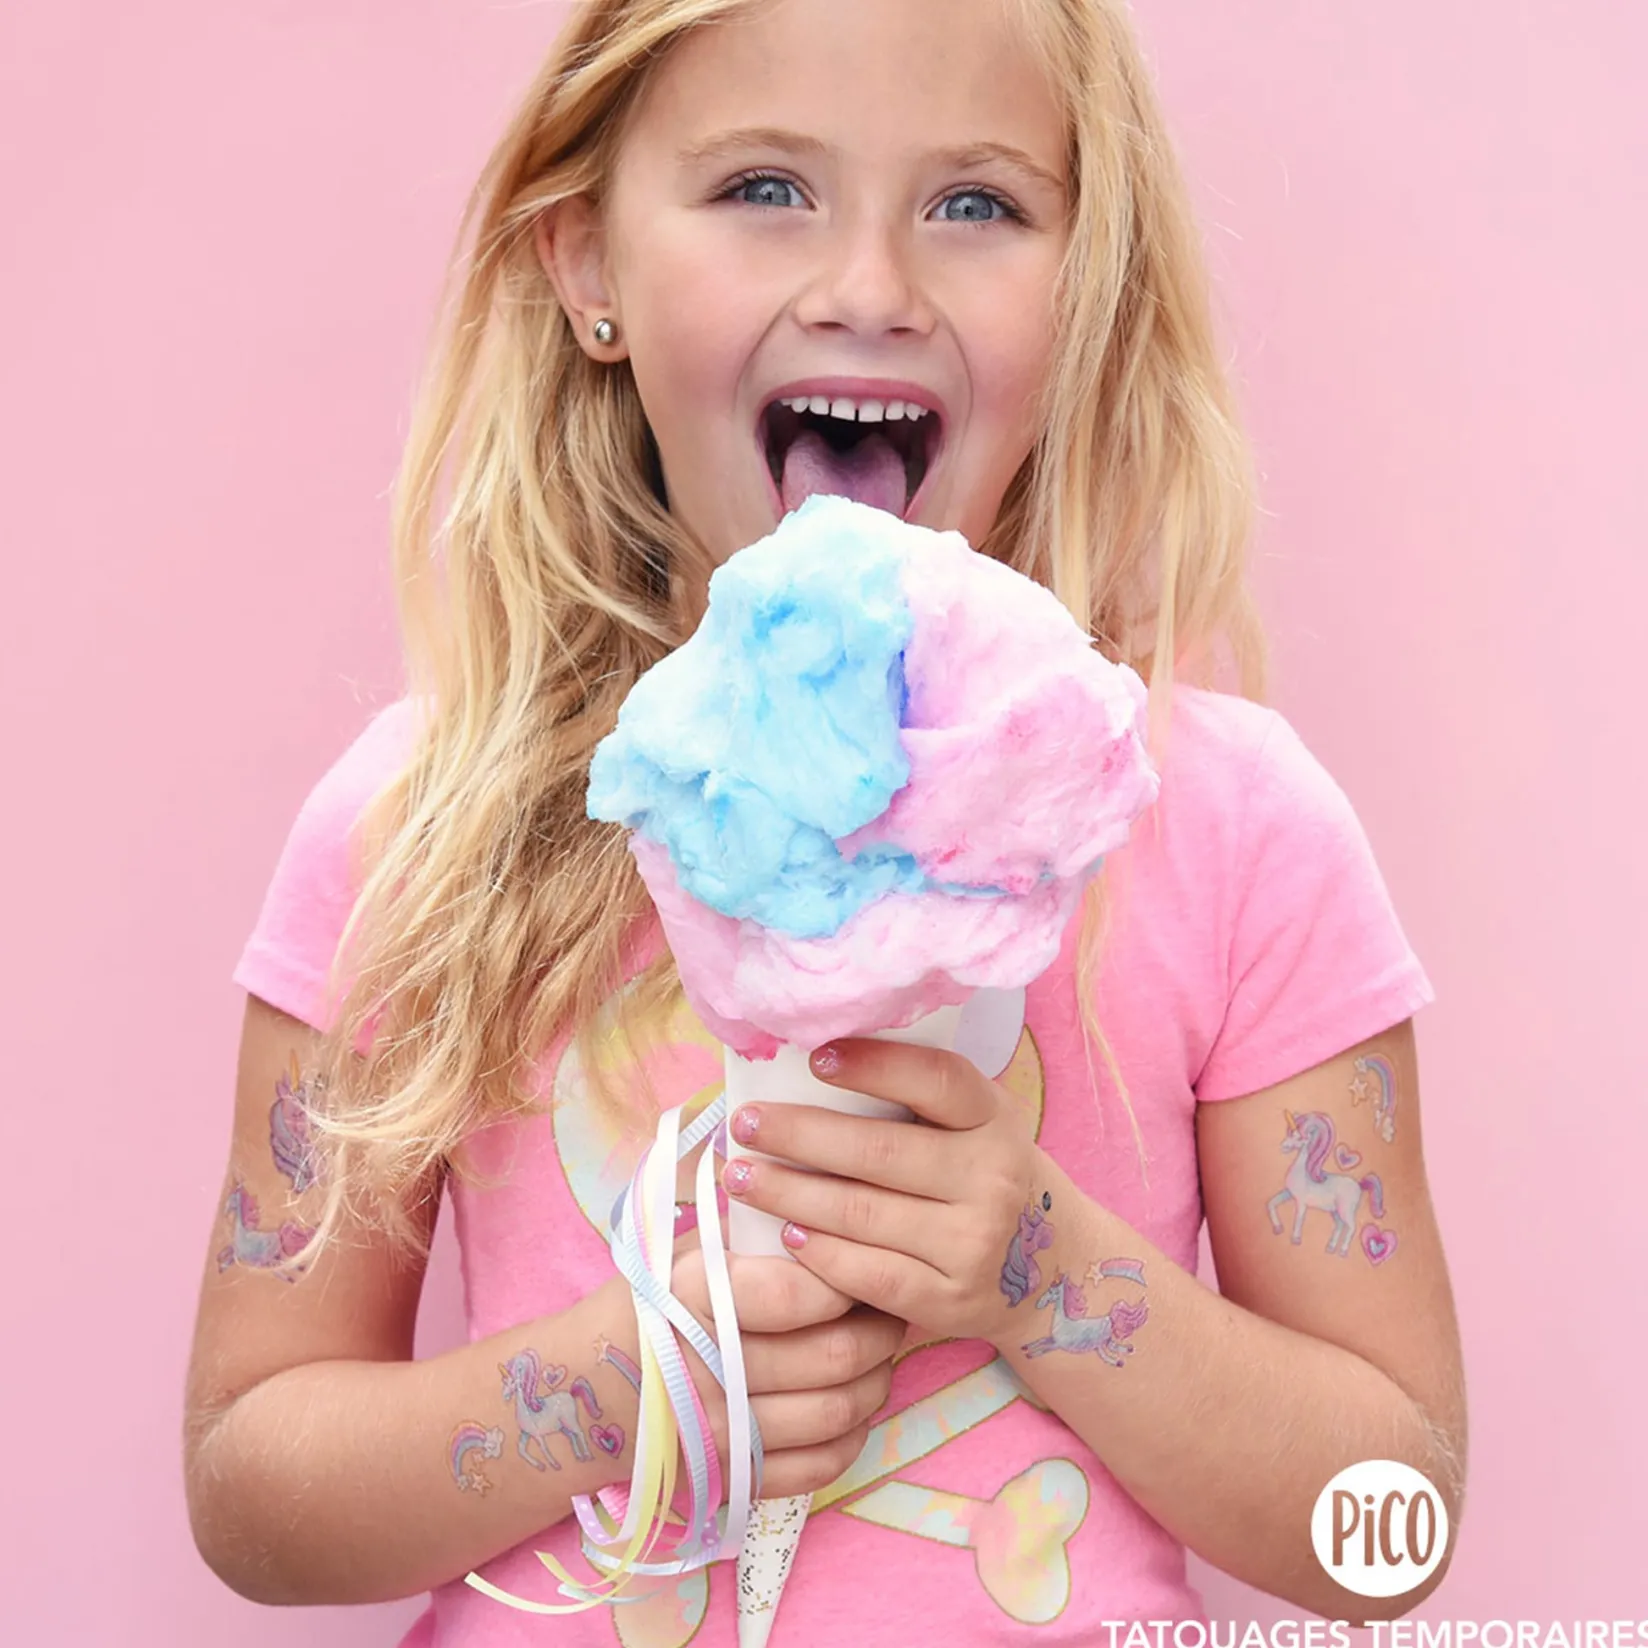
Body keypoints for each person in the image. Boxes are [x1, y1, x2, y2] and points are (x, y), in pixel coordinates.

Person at [184, 0, 1468, 1641]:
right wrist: (622, 1388)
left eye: (976, 203)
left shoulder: (1232, 832)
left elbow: (1391, 1527)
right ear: (586, 263)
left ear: (1091, 287)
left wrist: (1044, 1276)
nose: (871, 286)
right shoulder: (410, 835)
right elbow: (250, 1491)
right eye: (764, 189)